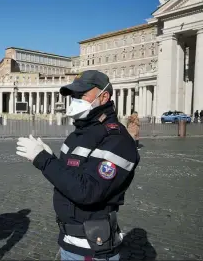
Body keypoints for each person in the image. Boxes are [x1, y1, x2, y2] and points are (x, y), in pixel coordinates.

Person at [15, 70, 139, 261]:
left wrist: (43, 160)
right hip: (70, 241)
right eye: (73, 96)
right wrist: (51, 157)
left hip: (93, 249)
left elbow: (87, 191)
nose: (75, 101)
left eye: (81, 96)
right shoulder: (78, 135)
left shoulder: (117, 140)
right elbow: (69, 177)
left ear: (104, 96)